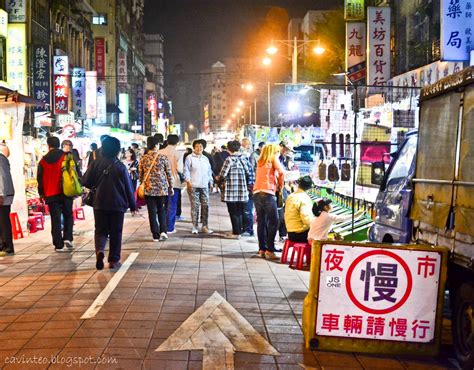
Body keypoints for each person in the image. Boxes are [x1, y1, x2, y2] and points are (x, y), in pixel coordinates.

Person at [82, 137, 137, 270]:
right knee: (115, 232)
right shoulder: (120, 166)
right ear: (117, 150)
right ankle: (113, 259)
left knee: (100, 230)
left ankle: (100, 251)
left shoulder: (95, 163)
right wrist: (133, 205)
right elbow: (128, 187)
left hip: (99, 203)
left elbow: (85, 181)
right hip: (117, 204)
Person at [37, 136, 74, 252]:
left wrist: (41, 193)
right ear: (59, 145)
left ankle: (58, 245)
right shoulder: (66, 156)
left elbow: (40, 179)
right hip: (65, 191)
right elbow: (74, 173)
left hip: (50, 193)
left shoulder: (42, 161)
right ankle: (67, 237)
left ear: (48, 145)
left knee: (55, 219)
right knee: (68, 214)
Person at [253, 143, 284, 260]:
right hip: (267, 193)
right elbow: (281, 172)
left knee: (261, 222)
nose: (278, 153)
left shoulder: (260, 161)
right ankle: (270, 250)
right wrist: (281, 186)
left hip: (257, 193)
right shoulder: (272, 158)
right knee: (274, 221)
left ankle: (262, 249)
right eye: (277, 151)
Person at [139, 136, 174, 242]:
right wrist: (171, 186)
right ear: (155, 145)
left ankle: (155, 235)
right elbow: (169, 173)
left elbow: (141, 175)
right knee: (162, 210)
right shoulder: (162, 157)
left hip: (148, 189)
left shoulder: (143, 158)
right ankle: (163, 231)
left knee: (151, 212)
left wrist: (142, 184)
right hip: (161, 189)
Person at [218, 140, 253, 239]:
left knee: (233, 212)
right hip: (242, 190)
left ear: (229, 149)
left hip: (231, 191)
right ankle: (239, 230)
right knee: (239, 211)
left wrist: (218, 178)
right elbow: (249, 172)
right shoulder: (243, 158)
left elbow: (223, 174)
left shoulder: (229, 159)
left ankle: (236, 233)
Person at [183, 140, 213, 234]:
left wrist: (211, 182)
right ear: (194, 147)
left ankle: (205, 226)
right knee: (195, 206)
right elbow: (186, 170)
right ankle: (195, 226)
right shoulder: (189, 158)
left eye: (201, 146)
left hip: (204, 185)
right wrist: (188, 181)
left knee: (205, 206)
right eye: (197, 146)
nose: (199, 148)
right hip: (194, 186)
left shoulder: (205, 158)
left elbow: (209, 171)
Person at [159, 134, 183, 233]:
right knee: (172, 205)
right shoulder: (178, 154)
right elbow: (180, 169)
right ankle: (169, 228)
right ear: (177, 143)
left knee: (161, 206)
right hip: (174, 182)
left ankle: (162, 227)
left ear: (167, 141)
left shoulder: (160, 152)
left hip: (161, 182)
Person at [284, 176, 314, 243]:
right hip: (300, 234)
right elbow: (306, 219)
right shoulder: (305, 198)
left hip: (290, 232)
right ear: (309, 188)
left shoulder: (291, 196)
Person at [0, 147, 14, 256]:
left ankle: (7, 246)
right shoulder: (2, 159)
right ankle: (3, 245)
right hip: (5, 194)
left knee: (3, 221)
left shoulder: (1, 159)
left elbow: (2, 177)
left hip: (3, 195)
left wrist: (1, 194)